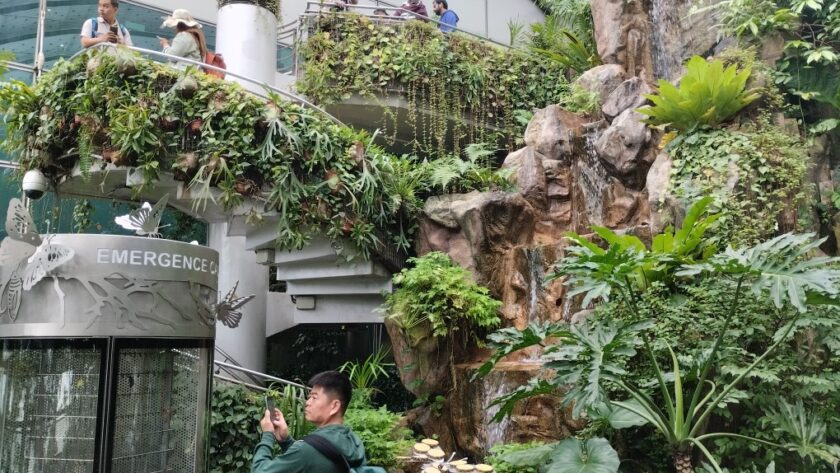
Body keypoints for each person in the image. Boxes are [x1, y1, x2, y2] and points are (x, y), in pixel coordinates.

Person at [251, 371, 368, 473]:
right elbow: (317, 459)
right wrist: (286, 440)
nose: (307, 402)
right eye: (309, 397)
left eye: (314, 397)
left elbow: (259, 470)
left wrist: (268, 435)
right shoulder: (354, 441)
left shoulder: (306, 451)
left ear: (334, 406)